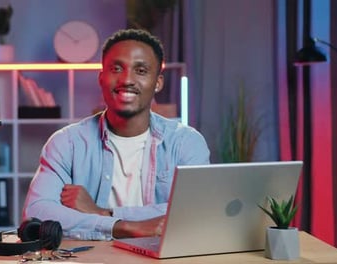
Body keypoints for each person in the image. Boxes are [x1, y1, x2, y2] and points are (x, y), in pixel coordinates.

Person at [22, 28, 210, 240]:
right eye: (117, 68)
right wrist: (124, 227)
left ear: (158, 83)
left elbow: (197, 211)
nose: (127, 79)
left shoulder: (186, 142)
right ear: (101, 78)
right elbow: (37, 212)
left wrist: (104, 214)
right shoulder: (67, 143)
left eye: (140, 70)